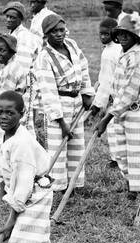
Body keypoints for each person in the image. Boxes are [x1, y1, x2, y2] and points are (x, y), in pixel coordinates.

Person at [0, 90, 56, 243]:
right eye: (0, 112)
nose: (4, 116)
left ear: (23, 114)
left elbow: (23, 184)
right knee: (37, 240)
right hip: (32, 191)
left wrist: (11, 219)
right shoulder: (9, 136)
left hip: (34, 195)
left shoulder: (21, 143)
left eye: (10, 113)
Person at [93, 14, 140, 200]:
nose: (124, 37)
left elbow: (129, 92)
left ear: (135, 37)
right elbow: (115, 84)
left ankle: (137, 193)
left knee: (136, 155)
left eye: (128, 34)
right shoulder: (122, 54)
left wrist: (106, 118)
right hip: (119, 112)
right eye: (120, 34)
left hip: (133, 112)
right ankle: (130, 185)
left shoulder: (136, 57)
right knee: (121, 153)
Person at [31, 14, 94, 191]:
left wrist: (86, 92)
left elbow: (83, 67)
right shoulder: (44, 57)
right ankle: (58, 187)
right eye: (54, 32)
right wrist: (61, 122)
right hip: (59, 103)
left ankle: (74, 184)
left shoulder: (72, 45)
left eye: (61, 30)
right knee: (58, 147)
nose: (59, 34)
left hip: (76, 101)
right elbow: (48, 91)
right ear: (46, 35)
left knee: (77, 144)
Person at [90, 18, 126, 178]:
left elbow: (106, 81)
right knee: (117, 128)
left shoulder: (110, 52)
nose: (103, 37)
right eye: (101, 34)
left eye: (106, 34)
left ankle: (118, 159)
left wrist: (97, 104)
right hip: (120, 94)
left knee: (114, 128)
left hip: (115, 94)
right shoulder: (118, 48)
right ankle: (118, 158)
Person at [0, 33, 36, 142]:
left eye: (2, 50)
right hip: (9, 115)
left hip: (12, 117)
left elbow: (3, 99)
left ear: (12, 51)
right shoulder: (7, 67)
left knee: (12, 148)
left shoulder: (12, 70)